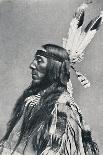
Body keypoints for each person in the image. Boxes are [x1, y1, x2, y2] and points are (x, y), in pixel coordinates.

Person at [0, 44, 99, 155]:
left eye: (39, 60)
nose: (32, 65)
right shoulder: (33, 102)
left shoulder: (63, 110)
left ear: (54, 68)